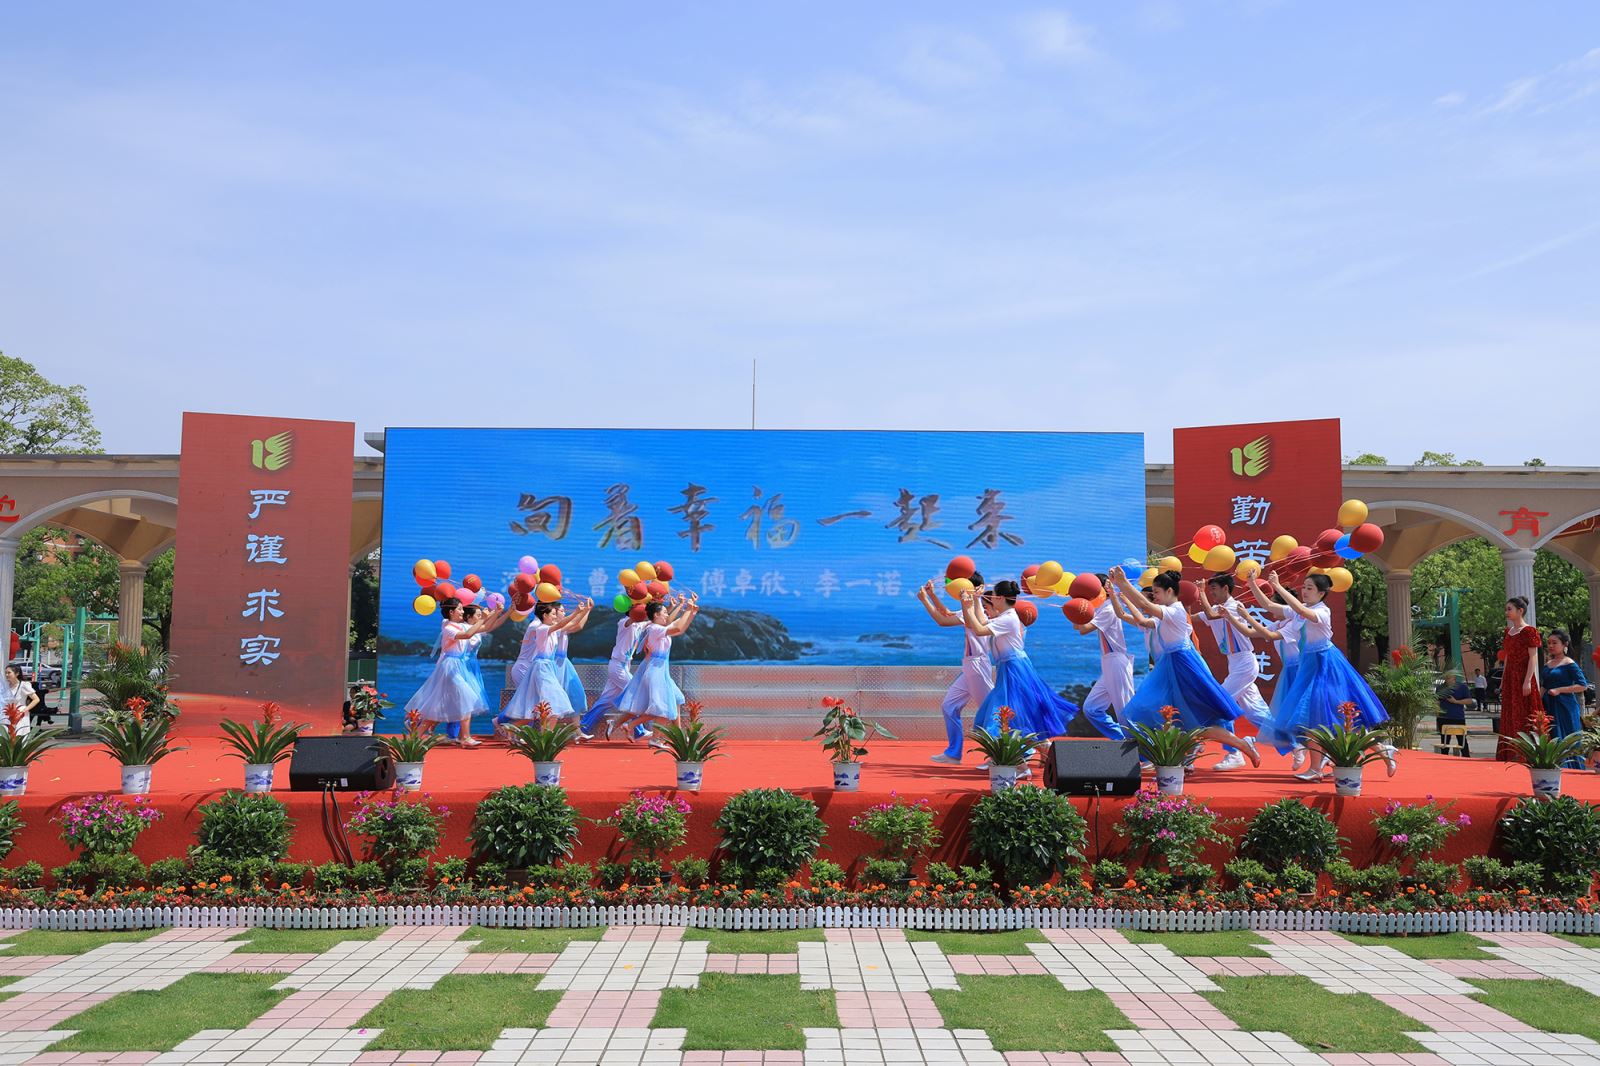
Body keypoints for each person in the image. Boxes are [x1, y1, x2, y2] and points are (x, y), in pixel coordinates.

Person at [1109, 568, 1261, 764]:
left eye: (1156, 592)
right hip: (1170, 666)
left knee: (1197, 720)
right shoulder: (1163, 615)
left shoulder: (1175, 611)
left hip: (1184, 666)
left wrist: (1122, 583)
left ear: (1169, 591)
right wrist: (1118, 588)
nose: (1154, 596)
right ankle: (1175, 759)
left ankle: (1237, 746)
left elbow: (1144, 604)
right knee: (1173, 718)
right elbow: (1141, 613)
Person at [1257, 571, 1397, 780]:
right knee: (1313, 719)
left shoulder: (1322, 611)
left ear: (1321, 593)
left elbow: (1301, 610)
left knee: (1337, 720)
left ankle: (1380, 751)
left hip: (1327, 665)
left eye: (1310, 588)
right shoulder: (1298, 613)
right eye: (1304, 587)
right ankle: (1317, 768)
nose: (1305, 591)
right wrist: (1253, 583)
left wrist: (1277, 586)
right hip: (1309, 666)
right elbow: (1269, 606)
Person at [961, 580, 1078, 752]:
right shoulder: (1005, 617)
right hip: (1009, 668)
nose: (991, 598)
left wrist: (968, 606)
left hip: (1014, 668)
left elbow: (978, 629)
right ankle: (1042, 749)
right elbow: (981, 622)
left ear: (1000, 598)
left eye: (993, 596)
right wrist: (976, 600)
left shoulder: (1008, 618)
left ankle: (1022, 758)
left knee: (1003, 713)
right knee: (1018, 711)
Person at [1194, 575, 1270, 770]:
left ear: (1226, 589)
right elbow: (1192, 618)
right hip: (1235, 663)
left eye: (1213, 589)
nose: (1211, 592)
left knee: (1220, 703)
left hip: (1245, 662)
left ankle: (1233, 753)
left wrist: (1200, 591)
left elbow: (1210, 615)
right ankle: (1294, 743)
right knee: (1256, 712)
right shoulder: (1216, 608)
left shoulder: (1234, 607)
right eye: (1209, 589)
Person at [1224, 591, 1308, 766]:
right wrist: (1231, 617)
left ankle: (1318, 751)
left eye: (1274, 604)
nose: (1271, 608)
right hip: (1289, 671)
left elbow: (1268, 636)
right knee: (1273, 714)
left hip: (1301, 671)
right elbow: (1250, 632)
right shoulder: (1277, 624)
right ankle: (1296, 746)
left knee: (1306, 715)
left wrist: (1247, 616)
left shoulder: (1294, 624)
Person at [404, 600, 502, 747]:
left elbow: (484, 627)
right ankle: (465, 737)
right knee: (466, 698)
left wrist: (496, 613)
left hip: (458, 666)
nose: (462, 612)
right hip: (450, 667)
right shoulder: (448, 627)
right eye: (460, 609)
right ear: (451, 612)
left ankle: (414, 737)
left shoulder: (460, 625)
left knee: (442, 706)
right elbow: (468, 634)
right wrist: (483, 617)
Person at [920, 576, 995, 764]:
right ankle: (953, 753)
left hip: (978, 666)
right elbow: (945, 614)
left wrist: (925, 600)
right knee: (949, 706)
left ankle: (1006, 755)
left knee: (992, 711)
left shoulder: (980, 610)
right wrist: (931, 595)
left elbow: (944, 621)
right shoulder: (968, 608)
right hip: (969, 667)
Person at [614, 595, 701, 734]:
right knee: (662, 708)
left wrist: (692, 612)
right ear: (656, 615)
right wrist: (687, 609)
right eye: (665, 613)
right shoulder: (654, 629)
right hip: (656, 672)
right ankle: (650, 735)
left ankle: (675, 735)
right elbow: (678, 628)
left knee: (675, 700)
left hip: (661, 672)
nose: (667, 615)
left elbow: (681, 627)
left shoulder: (659, 628)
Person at [500, 600, 591, 732]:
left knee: (551, 708)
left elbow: (572, 624)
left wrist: (584, 611)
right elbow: (562, 623)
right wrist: (577, 612)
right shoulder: (542, 629)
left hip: (548, 667)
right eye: (553, 614)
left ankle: (520, 730)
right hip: (541, 667)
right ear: (545, 615)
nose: (555, 616)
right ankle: (532, 734)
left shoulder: (552, 629)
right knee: (554, 704)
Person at [1072, 573, 1136, 739]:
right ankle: (1122, 738)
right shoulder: (1101, 608)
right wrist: (1075, 607)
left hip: (1116, 661)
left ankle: (1144, 749)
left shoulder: (1109, 608)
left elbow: (1084, 629)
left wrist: (1079, 604)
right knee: (1091, 708)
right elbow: (1077, 627)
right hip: (1109, 663)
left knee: (1126, 711)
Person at [581, 609, 647, 740]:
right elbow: (632, 620)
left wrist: (669, 607)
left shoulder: (640, 624)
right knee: (634, 694)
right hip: (618, 666)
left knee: (606, 701)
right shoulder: (624, 622)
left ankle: (584, 726)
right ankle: (638, 730)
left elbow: (656, 620)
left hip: (623, 666)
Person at [1496, 597, 1542, 761]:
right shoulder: (1508, 632)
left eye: (1509, 609)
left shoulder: (1529, 631)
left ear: (1520, 610)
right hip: (1510, 677)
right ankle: (1510, 751)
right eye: (1506, 609)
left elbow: (1533, 657)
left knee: (1525, 711)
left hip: (1523, 675)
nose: (1506, 612)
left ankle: (1527, 752)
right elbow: (1507, 657)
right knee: (1510, 711)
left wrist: (1528, 680)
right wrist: (1503, 678)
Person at [1540, 629, 1587, 768]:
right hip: (1548, 705)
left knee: (1567, 739)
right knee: (1552, 736)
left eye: (1554, 643)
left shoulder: (1569, 663)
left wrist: (1560, 690)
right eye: (1549, 643)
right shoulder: (1548, 664)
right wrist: (1537, 702)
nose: (1551, 645)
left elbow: (1582, 685)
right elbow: (1544, 685)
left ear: (1564, 644)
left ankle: (1573, 770)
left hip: (1565, 706)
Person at [1435, 670, 1473, 757]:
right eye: (1446, 678)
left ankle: (1466, 757)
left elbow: (1469, 701)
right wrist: (1436, 711)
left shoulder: (1462, 687)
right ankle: (1444, 757)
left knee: (1462, 740)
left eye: (1449, 678)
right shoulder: (1440, 687)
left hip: (1458, 718)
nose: (1447, 680)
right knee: (1444, 741)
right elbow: (1437, 701)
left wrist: (1456, 701)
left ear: (1454, 678)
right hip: (1443, 718)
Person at [1, 666, 37, 736]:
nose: (6, 675)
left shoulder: (23, 685)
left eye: (9, 673)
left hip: (19, 715)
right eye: (5, 673)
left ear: (17, 673)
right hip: (7, 714)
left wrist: (25, 710)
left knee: (18, 735)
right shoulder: (5, 686)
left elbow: (36, 699)